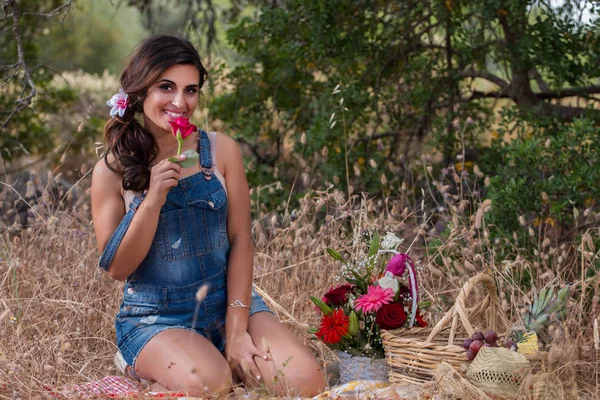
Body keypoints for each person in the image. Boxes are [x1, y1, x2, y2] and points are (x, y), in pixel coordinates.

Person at [91, 34, 326, 397]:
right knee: (212, 384)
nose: (180, 102)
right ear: (139, 92)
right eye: (165, 87)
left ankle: (218, 350)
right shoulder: (112, 170)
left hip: (227, 302)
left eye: (191, 90)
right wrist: (152, 200)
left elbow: (241, 240)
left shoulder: (221, 150)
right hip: (156, 318)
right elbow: (118, 268)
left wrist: (236, 330)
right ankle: (143, 360)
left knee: (305, 381)